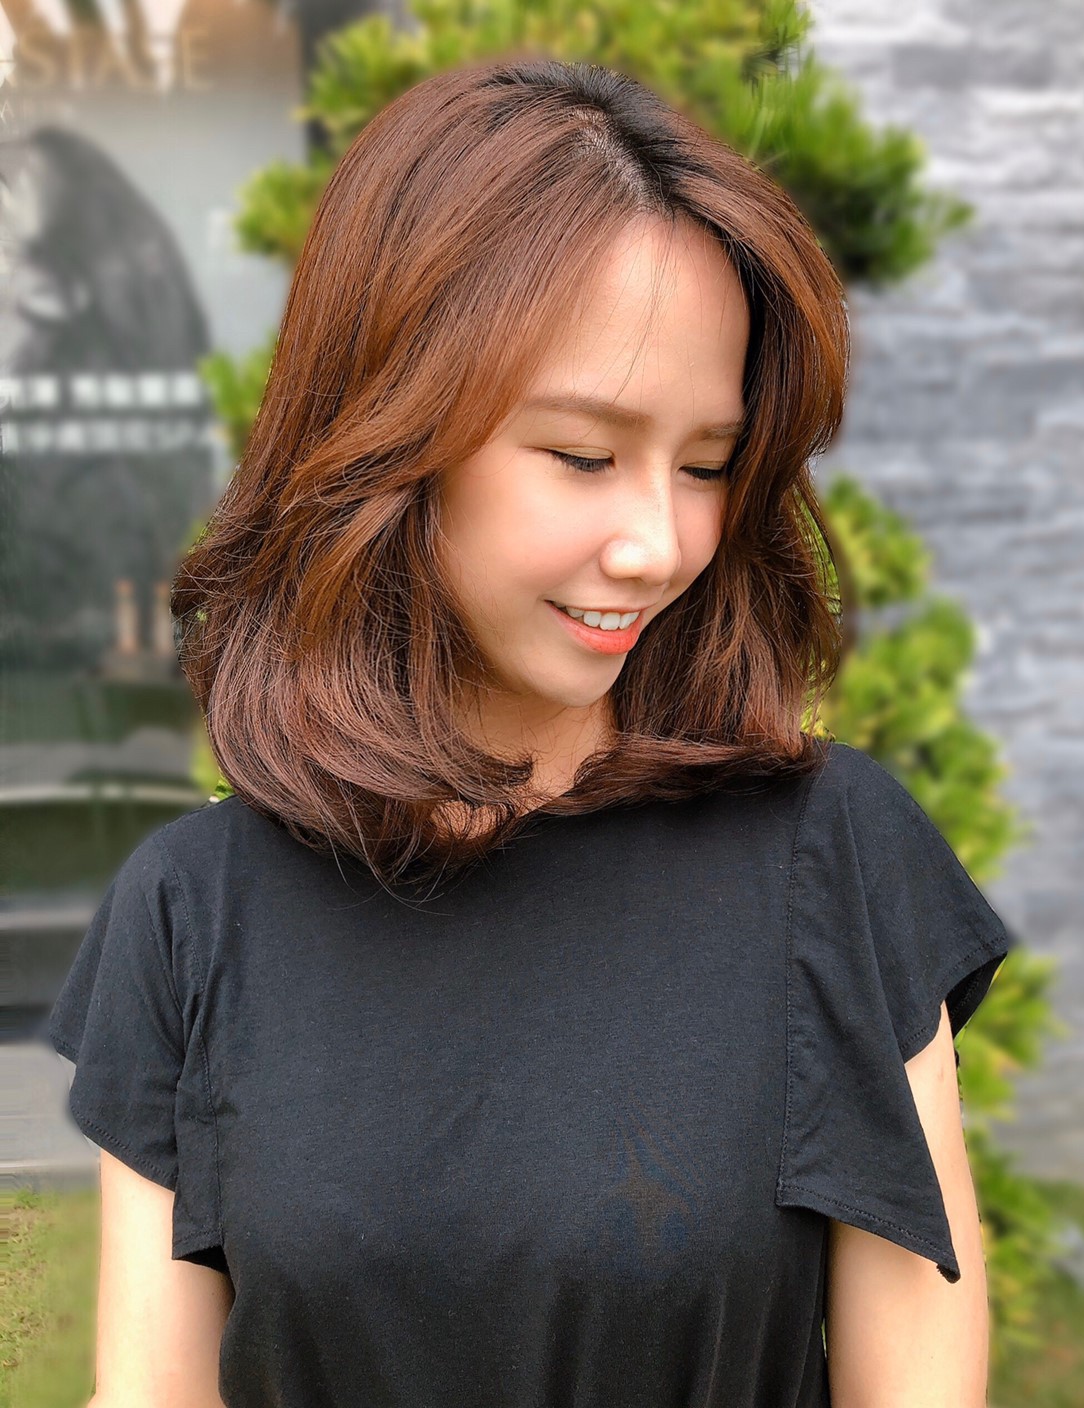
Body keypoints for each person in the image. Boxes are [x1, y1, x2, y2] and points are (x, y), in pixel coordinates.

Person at [46, 56, 1011, 1408]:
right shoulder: (191, 914)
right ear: (388, 435)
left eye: (706, 464)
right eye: (583, 455)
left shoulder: (835, 862)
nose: (657, 542)